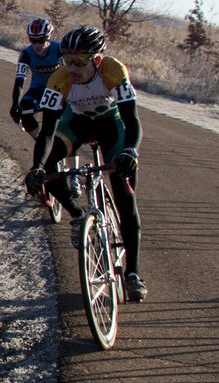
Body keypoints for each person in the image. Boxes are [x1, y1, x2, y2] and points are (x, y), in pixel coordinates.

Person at [24, 25, 147, 302]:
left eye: (80, 61)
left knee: (124, 192)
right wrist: (37, 167)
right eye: (67, 60)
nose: (73, 67)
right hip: (76, 123)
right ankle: (78, 214)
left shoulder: (114, 71)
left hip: (111, 125)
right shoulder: (60, 79)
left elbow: (131, 120)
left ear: (97, 59)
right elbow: (46, 133)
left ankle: (133, 273)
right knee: (48, 167)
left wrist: (129, 151)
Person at [10, 18, 63, 139]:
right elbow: (19, 83)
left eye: (41, 40)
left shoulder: (59, 50)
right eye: (32, 40)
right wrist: (15, 104)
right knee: (24, 108)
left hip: (59, 89)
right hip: (38, 89)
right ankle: (40, 143)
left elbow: (70, 76)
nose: (37, 45)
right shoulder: (26, 54)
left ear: (49, 37)